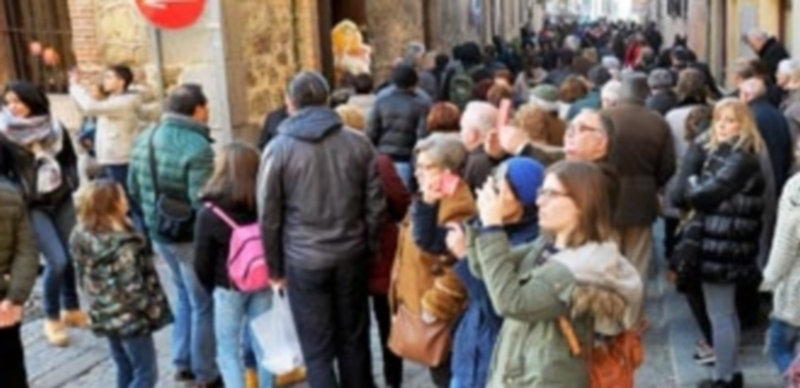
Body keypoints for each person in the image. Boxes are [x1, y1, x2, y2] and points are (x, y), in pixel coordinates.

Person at [257, 71, 385, 388]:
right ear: (327, 100)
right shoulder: (358, 143)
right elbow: (375, 206)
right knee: (354, 340)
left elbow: (269, 216)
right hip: (350, 254)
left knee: (317, 350)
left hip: (305, 260)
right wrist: (369, 249)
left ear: (290, 102)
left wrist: (275, 269)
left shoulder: (278, 149)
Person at [469, 160, 642, 387]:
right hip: (520, 372)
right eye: (541, 192)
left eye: (551, 194)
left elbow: (511, 302)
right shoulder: (546, 245)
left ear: (582, 203)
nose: (539, 201)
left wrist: (493, 228)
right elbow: (483, 268)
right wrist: (483, 220)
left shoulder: (584, 264)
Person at [128, 84, 219, 387]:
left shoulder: (145, 137)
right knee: (202, 303)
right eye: (207, 106)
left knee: (183, 295)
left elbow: (133, 188)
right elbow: (201, 202)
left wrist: (154, 218)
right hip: (188, 237)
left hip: (160, 232)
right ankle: (206, 373)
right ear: (198, 109)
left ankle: (182, 362)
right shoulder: (197, 146)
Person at [673, 98, 765, 388]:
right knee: (724, 313)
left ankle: (725, 378)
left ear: (743, 125)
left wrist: (691, 180)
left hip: (722, 245)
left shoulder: (739, 158)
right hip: (721, 241)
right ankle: (729, 373)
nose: (722, 126)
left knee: (721, 315)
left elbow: (701, 195)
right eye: (719, 120)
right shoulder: (728, 154)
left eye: (730, 121)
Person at [443, 157, 544, 388]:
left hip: (496, 361)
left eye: (499, 189)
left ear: (522, 200)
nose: (489, 195)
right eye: (492, 183)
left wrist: (465, 257)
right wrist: (428, 203)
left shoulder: (530, 243)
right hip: (469, 351)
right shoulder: (489, 224)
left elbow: (497, 307)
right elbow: (430, 241)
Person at [0, 81, 86, 347]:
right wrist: (20, 195)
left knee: (71, 254)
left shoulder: (55, 127)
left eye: (18, 101)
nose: (12, 107)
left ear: (32, 101)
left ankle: (71, 308)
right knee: (57, 261)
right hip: (31, 205)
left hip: (61, 198)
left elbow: (70, 160)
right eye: (8, 102)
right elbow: (4, 175)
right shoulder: (4, 134)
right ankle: (52, 318)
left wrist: (70, 182)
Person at [390, 133, 475, 388]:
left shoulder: (457, 203)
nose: (418, 172)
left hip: (442, 314)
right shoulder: (432, 196)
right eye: (418, 166)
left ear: (448, 171)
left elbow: (459, 262)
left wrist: (436, 305)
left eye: (427, 167)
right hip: (421, 299)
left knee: (445, 372)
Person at [69, 179, 172, 388]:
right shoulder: (125, 245)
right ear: (112, 204)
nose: (126, 199)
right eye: (122, 196)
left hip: (104, 312)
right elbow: (133, 289)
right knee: (146, 373)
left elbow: (81, 276)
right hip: (130, 319)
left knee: (124, 366)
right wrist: (152, 308)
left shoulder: (80, 235)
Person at [334, 104, 409, 388]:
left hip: (345, 251)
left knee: (353, 326)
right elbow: (401, 201)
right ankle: (393, 379)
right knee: (388, 319)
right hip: (381, 250)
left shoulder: (328, 165)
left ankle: (361, 380)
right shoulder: (379, 162)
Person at [192, 142, 274, 388]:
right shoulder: (264, 203)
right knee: (264, 345)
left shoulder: (210, 212)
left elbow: (201, 261)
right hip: (263, 280)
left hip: (228, 286)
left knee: (228, 350)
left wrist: (212, 287)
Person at [605, 72, 676, 296]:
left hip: (606, 195)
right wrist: (654, 184)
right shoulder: (657, 122)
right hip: (642, 197)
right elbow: (668, 165)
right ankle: (633, 310)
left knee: (608, 259)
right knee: (637, 260)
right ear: (645, 93)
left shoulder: (604, 117)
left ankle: (610, 310)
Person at [69, 65, 156, 237]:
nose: (105, 81)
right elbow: (85, 108)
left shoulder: (125, 102)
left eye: (109, 77)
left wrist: (74, 86)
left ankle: (144, 239)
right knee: (117, 202)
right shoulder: (114, 99)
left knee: (129, 203)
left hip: (121, 159)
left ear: (121, 82)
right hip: (110, 158)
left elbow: (90, 106)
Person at [0, 149, 38, 388]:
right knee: (11, 369)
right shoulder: (10, 195)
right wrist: (14, 297)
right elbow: (27, 252)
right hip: (4, 304)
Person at [367, 64, 431, 189]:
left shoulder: (381, 98)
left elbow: (372, 130)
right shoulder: (422, 102)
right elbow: (422, 135)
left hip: (383, 155)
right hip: (406, 157)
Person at [762, 172, 800, 377]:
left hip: (795, 291)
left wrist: (770, 278)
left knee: (777, 344)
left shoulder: (796, 187)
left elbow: (785, 244)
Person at [460, 101, 500, 191]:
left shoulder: (477, 162)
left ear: (473, 134)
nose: (461, 134)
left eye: (463, 128)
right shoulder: (497, 154)